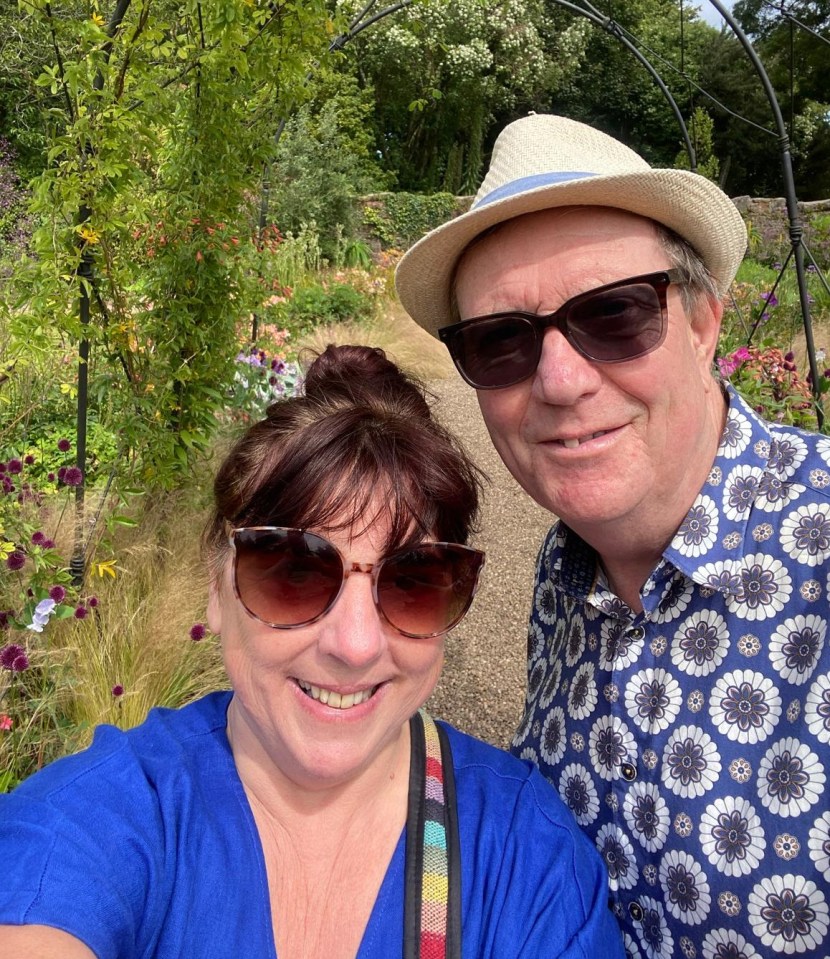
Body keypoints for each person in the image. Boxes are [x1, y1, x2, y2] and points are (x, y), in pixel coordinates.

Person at [0, 344, 623, 959]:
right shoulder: (105, 821)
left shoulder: (527, 858)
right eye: (293, 571)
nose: (354, 645)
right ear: (216, 584)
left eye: (412, 581)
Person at [395, 113, 830, 959]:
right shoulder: (566, 573)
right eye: (501, 341)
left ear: (705, 322)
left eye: (616, 313)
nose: (560, 381)